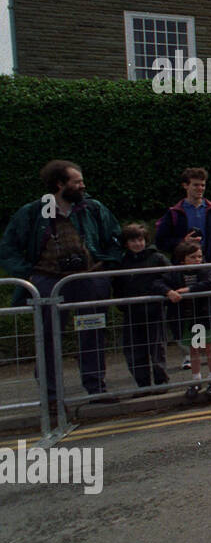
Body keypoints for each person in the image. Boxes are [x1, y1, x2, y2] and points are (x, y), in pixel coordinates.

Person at [0, 160, 122, 411]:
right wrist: (28, 275)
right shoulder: (34, 211)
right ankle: (52, 396)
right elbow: (8, 247)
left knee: (93, 333)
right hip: (47, 282)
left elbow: (116, 237)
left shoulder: (92, 208)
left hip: (88, 279)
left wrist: (106, 268)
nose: (82, 185)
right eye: (77, 182)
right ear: (59, 184)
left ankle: (96, 388)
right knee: (47, 338)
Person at [155, 167, 211, 366]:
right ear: (185, 186)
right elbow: (161, 241)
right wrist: (182, 241)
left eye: (203, 185)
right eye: (196, 185)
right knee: (186, 310)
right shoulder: (174, 212)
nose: (200, 189)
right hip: (184, 269)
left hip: (208, 267)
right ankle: (192, 352)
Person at [114, 223, 174, 389]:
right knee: (134, 351)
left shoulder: (157, 258)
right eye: (133, 240)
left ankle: (161, 382)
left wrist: (162, 294)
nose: (137, 244)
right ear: (126, 243)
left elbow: (170, 278)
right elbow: (118, 285)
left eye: (140, 240)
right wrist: (122, 304)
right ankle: (143, 384)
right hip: (132, 311)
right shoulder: (122, 261)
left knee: (157, 348)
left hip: (154, 310)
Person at [169, 239, 211, 403]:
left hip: (204, 315)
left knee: (208, 347)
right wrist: (169, 291)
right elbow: (160, 282)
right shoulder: (177, 273)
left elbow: (210, 283)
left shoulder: (206, 270)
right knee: (194, 348)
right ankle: (196, 380)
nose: (197, 260)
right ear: (182, 259)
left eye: (199, 256)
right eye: (192, 257)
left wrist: (189, 290)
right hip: (189, 316)